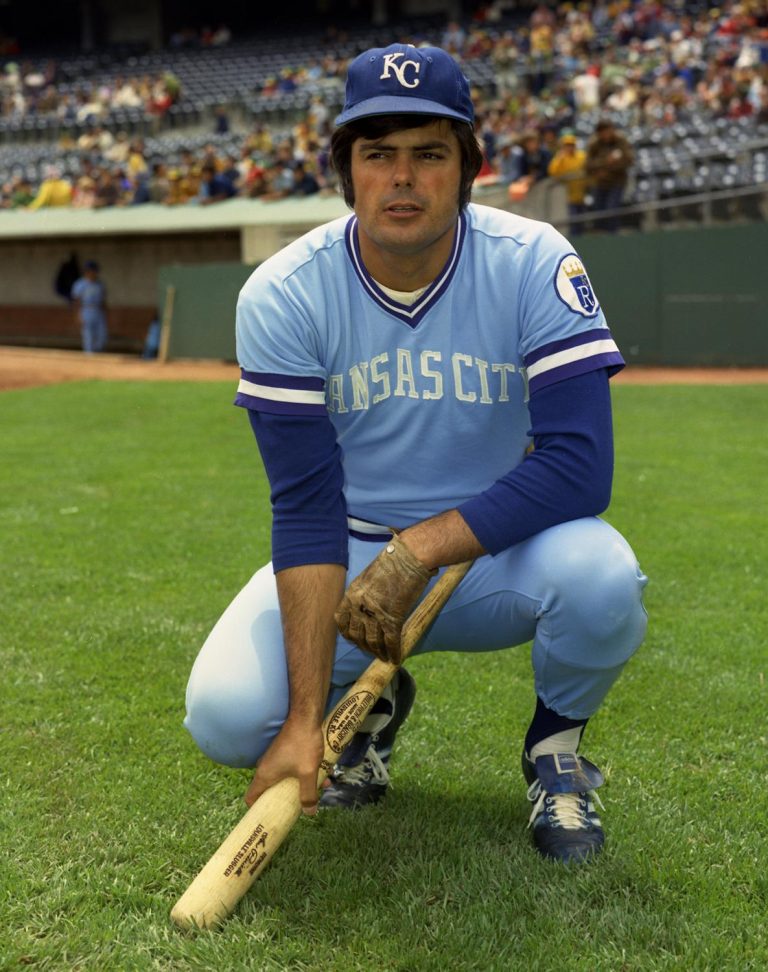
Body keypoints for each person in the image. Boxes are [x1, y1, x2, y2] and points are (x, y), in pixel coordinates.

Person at [184, 44, 648, 864]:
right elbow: (304, 505)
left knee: (602, 576)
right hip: (353, 557)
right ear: (346, 171)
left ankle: (555, 750)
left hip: (497, 554)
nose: (403, 177)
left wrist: (424, 546)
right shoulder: (287, 292)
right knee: (223, 716)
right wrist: (300, 722)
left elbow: (581, 465)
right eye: (378, 154)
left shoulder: (534, 259)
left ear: (468, 167)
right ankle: (369, 711)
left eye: (429, 154)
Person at [585, 120, 634, 232]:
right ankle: (601, 236)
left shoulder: (621, 141)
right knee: (599, 211)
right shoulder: (595, 144)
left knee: (611, 209)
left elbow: (629, 160)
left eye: (608, 131)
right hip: (600, 183)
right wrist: (605, 162)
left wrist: (609, 169)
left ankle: (613, 236)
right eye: (603, 132)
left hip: (617, 182)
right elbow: (588, 165)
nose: (606, 134)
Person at [548, 132, 588, 235]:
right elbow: (553, 172)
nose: (569, 147)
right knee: (573, 220)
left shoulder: (581, 156)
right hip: (568, 196)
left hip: (581, 193)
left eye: (571, 145)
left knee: (582, 220)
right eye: (567, 145)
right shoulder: (560, 158)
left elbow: (588, 168)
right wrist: (559, 159)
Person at [71, 260, 108, 353]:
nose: (94, 273)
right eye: (92, 271)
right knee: (88, 336)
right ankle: (89, 357)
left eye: (95, 271)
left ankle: (97, 353)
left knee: (102, 335)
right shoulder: (80, 284)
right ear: (87, 271)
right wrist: (78, 315)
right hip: (86, 310)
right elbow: (76, 301)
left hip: (98, 310)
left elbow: (103, 299)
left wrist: (106, 313)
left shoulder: (99, 284)